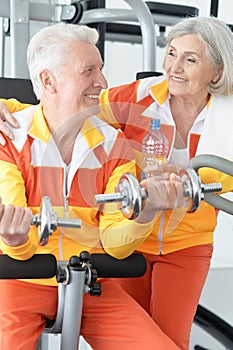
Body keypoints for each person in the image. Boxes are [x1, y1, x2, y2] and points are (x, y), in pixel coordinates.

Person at [1, 16, 233, 350]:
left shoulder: (113, 144)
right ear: (48, 81)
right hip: (28, 276)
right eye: (171, 53)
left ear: (216, 71)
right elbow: (53, 111)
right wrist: (4, 105)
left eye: (191, 59)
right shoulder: (12, 137)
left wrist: (152, 205)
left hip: (137, 259)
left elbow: (114, 242)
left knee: (168, 342)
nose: (103, 81)